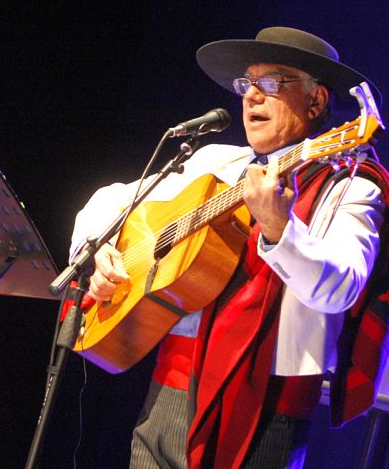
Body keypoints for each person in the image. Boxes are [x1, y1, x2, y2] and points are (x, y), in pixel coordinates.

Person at [70, 27, 389, 468]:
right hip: (167, 390)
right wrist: (96, 248)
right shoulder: (215, 162)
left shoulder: (349, 185)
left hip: (264, 408)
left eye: (273, 83)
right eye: (247, 83)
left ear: (316, 101)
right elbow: (112, 199)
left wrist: (281, 229)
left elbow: (340, 290)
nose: (252, 96)